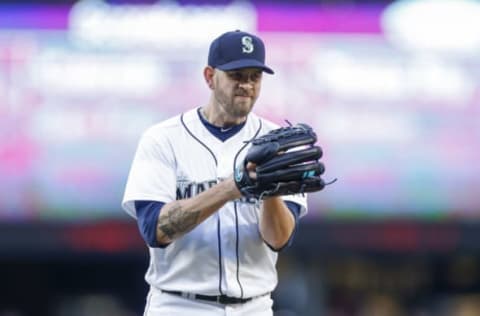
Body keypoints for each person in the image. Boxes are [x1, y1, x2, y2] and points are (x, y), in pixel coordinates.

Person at [122, 30, 309, 316]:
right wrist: (233, 187)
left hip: (255, 307)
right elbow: (155, 230)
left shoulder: (277, 142)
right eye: (237, 75)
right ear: (210, 77)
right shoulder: (163, 138)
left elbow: (279, 240)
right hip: (178, 305)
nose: (246, 85)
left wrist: (270, 191)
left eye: (254, 77)